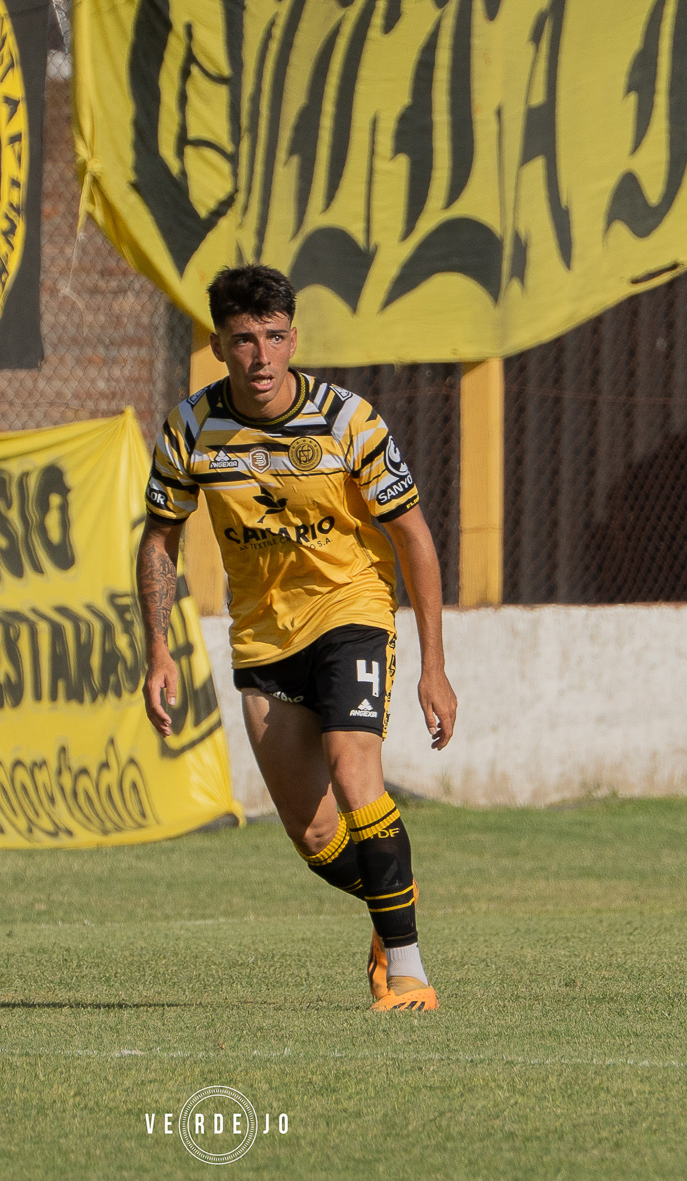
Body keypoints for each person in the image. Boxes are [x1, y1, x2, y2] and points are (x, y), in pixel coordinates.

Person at [135, 263, 457, 1012]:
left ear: (294, 338)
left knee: (353, 770)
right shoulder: (191, 428)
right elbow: (159, 540)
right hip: (262, 638)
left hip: (351, 611)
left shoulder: (348, 421)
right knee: (314, 837)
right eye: (244, 339)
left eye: (275, 337)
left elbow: (413, 536)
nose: (262, 357)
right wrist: (158, 648)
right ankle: (391, 901)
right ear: (219, 345)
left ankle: (409, 974)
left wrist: (434, 667)